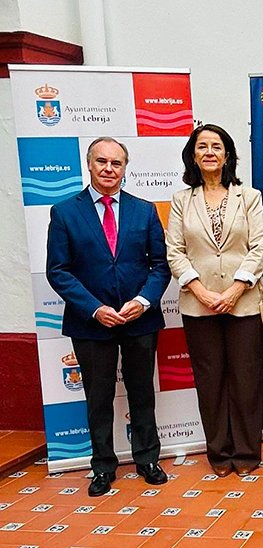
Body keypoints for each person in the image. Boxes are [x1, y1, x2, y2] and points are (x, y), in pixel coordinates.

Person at [46, 137, 171, 496]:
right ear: (89, 164)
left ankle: (147, 458)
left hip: (139, 321)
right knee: (98, 398)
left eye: (116, 163)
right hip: (91, 323)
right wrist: (95, 309)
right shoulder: (65, 212)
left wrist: (144, 301)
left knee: (142, 393)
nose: (108, 169)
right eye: (101, 161)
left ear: (124, 168)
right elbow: (58, 271)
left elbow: (160, 266)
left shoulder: (144, 210)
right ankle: (102, 466)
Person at [166, 124, 263, 478]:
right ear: (193, 155)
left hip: (243, 303)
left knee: (246, 378)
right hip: (199, 304)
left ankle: (246, 451)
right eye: (202, 146)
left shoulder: (249, 196)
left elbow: (259, 248)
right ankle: (219, 452)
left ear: (228, 155)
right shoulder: (182, 200)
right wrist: (202, 291)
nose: (210, 152)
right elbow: (175, 252)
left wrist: (235, 290)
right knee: (210, 381)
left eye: (217, 146)